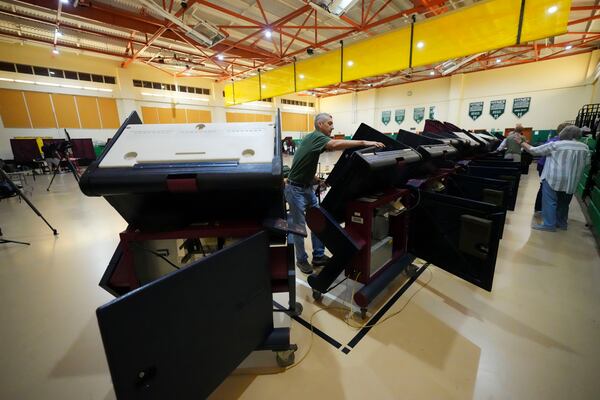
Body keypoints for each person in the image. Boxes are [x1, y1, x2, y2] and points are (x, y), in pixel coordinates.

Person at [285, 113, 385, 274]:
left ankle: (318, 256)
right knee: (299, 227)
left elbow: (304, 164)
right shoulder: (317, 136)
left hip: (307, 187)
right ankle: (301, 260)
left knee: (318, 220)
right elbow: (334, 144)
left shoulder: (313, 140)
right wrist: (364, 142)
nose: (332, 127)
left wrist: (318, 180)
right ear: (320, 124)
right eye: (329, 123)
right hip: (295, 189)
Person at [519, 125, 590, 231]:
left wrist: (521, 142)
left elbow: (534, 151)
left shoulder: (556, 145)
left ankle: (549, 225)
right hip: (572, 180)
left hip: (553, 178)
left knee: (550, 201)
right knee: (564, 203)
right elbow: (587, 163)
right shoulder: (585, 147)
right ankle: (562, 223)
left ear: (563, 133)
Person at [533, 122, 569, 215]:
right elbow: (538, 151)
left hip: (549, 166)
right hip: (544, 165)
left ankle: (546, 209)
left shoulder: (562, 141)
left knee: (549, 188)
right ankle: (539, 208)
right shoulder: (554, 141)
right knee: (544, 186)